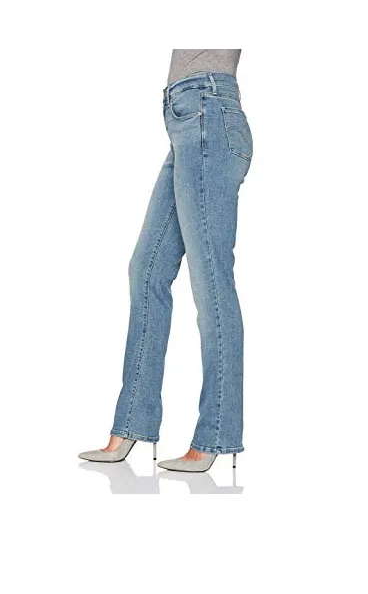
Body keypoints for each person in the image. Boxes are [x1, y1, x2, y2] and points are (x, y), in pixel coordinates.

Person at [79, 45, 253, 472]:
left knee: (210, 281)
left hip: (209, 112)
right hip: (187, 122)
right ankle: (132, 425)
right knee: (147, 270)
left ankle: (216, 434)